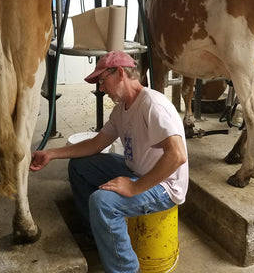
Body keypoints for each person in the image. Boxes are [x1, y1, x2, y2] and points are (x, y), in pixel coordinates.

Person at [30, 50, 188, 273]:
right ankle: (97, 236)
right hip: (137, 169)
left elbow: (177, 155)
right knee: (80, 166)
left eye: (103, 80)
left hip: (164, 186)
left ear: (121, 73)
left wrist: (134, 187)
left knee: (103, 203)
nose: (101, 88)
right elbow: (95, 144)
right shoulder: (120, 111)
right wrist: (51, 154)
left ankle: (125, 270)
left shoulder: (153, 105)